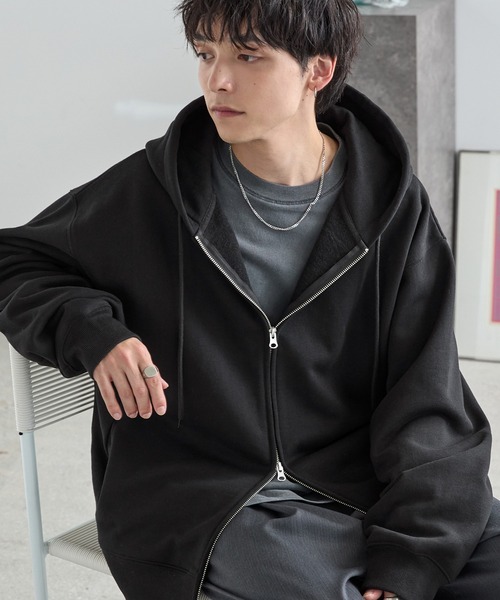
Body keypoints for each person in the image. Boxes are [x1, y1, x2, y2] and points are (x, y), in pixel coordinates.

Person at [0, 1, 498, 599]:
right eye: (206, 54)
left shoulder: (393, 208)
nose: (218, 80)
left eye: (248, 56)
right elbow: (14, 258)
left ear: (317, 70)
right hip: (205, 495)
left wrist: (415, 553)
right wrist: (92, 331)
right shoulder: (157, 190)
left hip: (355, 477)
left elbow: (428, 393)